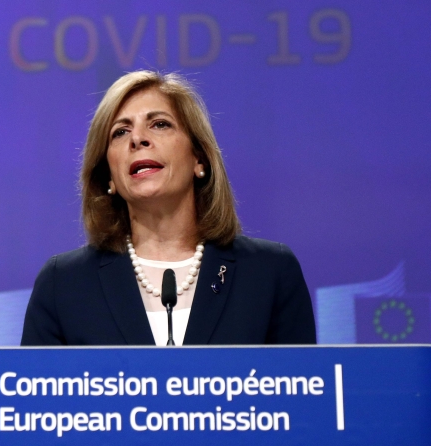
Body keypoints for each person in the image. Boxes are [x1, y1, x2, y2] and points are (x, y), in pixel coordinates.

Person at [21, 70, 316, 346]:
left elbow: (304, 391)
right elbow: (37, 398)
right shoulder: (64, 285)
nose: (137, 138)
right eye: (120, 132)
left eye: (160, 124)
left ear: (199, 159)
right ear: (108, 176)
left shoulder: (269, 273)